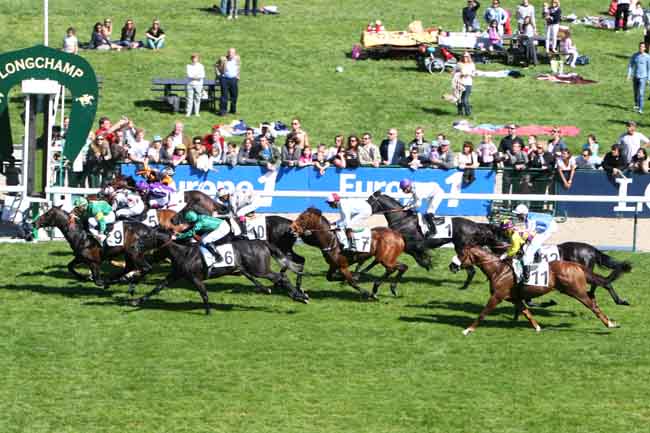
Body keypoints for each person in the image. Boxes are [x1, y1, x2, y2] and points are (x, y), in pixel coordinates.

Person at [513, 204, 557, 277]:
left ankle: (527, 275)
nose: (517, 217)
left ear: (523, 214)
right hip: (545, 224)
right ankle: (538, 253)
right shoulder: (527, 217)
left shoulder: (531, 219)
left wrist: (529, 239)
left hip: (549, 227)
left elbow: (536, 232)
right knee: (530, 242)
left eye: (518, 215)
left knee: (529, 250)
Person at [215, 48, 240, 116]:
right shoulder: (223, 59)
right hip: (224, 79)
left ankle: (233, 110)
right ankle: (223, 111)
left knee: (234, 95)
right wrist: (219, 75)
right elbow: (216, 65)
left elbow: (238, 67)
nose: (230, 54)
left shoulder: (237, 58)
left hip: (233, 79)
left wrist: (237, 76)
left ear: (235, 54)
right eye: (229, 53)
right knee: (224, 96)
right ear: (227, 53)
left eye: (232, 53)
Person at [627, 42, 650, 114]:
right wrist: (629, 75)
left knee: (641, 93)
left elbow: (649, 68)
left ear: (645, 48)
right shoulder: (635, 55)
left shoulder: (647, 57)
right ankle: (636, 104)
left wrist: (648, 79)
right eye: (640, 47)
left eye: (642, 47)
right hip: (635, 77)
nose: (641, 48)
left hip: (643, 77)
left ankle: (640, 109)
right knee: (635, 92)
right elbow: (630, 65)